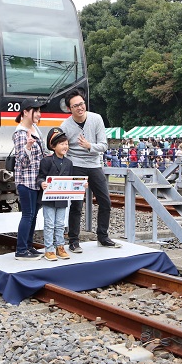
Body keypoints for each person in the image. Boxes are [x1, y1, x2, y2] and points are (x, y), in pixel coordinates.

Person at [60, 89, 120, 252]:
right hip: (76, 165)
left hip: (94, 164)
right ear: (69, 109)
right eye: (75, 106)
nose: (80, 108)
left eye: (82, 104)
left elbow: (104, 145)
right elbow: (59, 146)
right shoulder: (65, 126)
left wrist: (89, 146)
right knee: (76, 205)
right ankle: (73, 240)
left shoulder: (96, 119)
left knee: (105, 201)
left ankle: (102, 236)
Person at [13, 98, 48, 261]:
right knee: (27, 214)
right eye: (36, 111)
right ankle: (21, 250)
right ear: (25, 112)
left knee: (33, 215)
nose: (39, 114)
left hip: (35, 181)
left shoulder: (35, 129)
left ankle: (28, 245)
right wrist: (27, 147)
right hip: (25, 181)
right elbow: (22, 162)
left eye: (39, 111)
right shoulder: (20, 133)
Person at [37, 127, 74, 261]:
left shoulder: (69, 163)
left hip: (62, 199)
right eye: (62, 144)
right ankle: (49, 249)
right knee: (49, 224)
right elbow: (40, 177)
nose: (65, 146)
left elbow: (71, 180)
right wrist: (42, 183)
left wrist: (80, 185)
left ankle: (60, 247)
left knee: (60, 224)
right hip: (49, 199)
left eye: (66, 144)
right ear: (53, 146)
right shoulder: (46, 161)